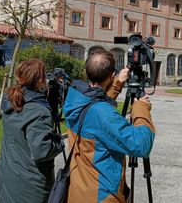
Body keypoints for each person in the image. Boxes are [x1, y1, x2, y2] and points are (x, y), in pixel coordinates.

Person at [63, 49, 155, 203]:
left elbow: (94, 108)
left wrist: (117, 83)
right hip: (100, 196)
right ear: (111, 75)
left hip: (78, 191)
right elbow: (141, 144)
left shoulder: (75, 100)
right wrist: (141, 108)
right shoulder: (102, 113)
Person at [0, 59, 63, 203]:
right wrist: (58, 141)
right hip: (30, 188)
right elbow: (42, 150)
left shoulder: (12, 101)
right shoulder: (38, 111)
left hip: (8, 180)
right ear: (40, 80)